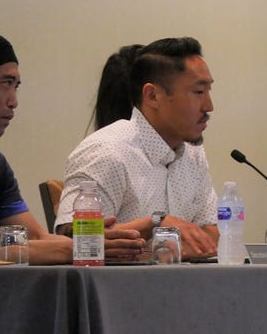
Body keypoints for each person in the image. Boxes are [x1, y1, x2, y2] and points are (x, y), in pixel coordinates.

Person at [0, 25, 144, 263]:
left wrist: (96, 244)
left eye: (15, 87)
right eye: (5, 83)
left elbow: (35, 237)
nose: (13, 101)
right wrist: (77, 250)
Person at [55, 37, 219, 259]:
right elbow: (70, 240)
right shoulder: (106, 151)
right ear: (152, 96)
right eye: (198, 92)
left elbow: (211, 233)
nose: (209, 106)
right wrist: (155, 223)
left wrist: (161, 252)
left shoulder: (193, 152)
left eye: (208, 91)